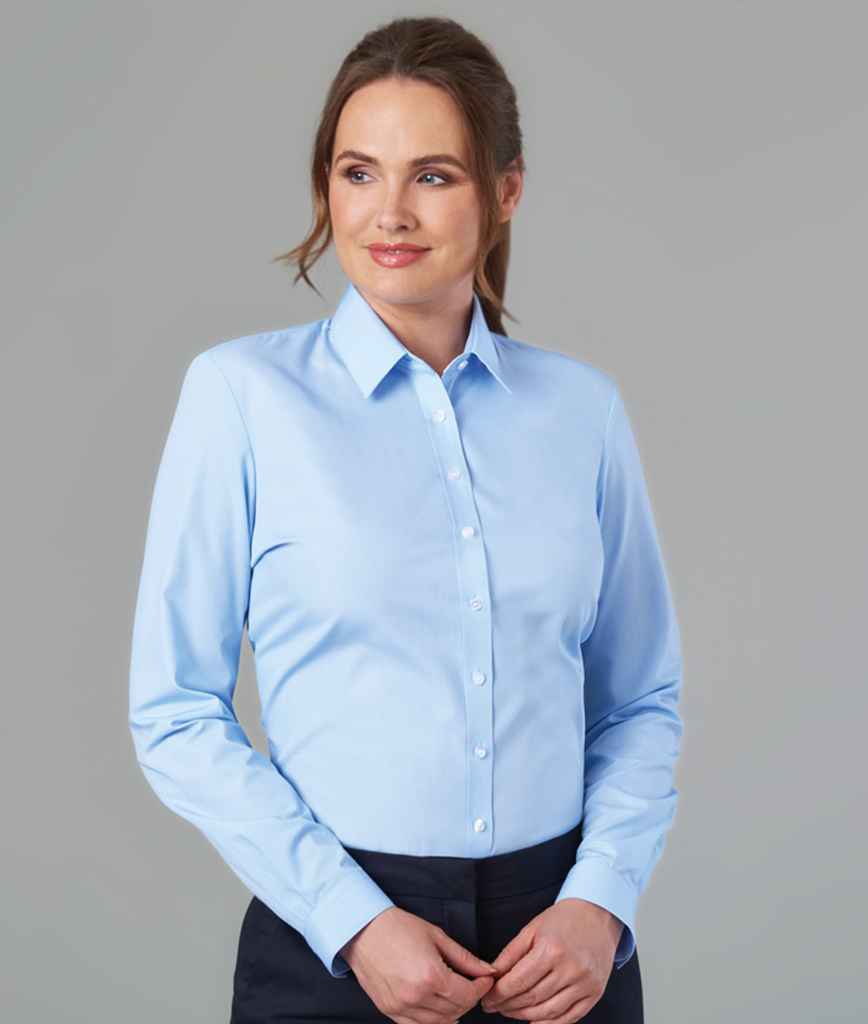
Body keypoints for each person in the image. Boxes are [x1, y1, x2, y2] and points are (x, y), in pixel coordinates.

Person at [128, 15, 683, 1024]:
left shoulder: (581, 412)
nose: (389, 212)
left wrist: (601, 900)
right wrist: (351, 921)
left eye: (433, 175)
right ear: (325, 187)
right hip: (336, 950)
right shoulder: (241, 398)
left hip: (560, 955)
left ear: (505, 191)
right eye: (358, 173)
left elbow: (638, 698)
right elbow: (174, 710)